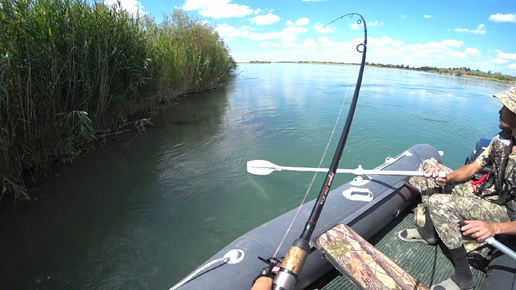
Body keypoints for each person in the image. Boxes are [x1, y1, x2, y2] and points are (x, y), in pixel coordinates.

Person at [398, 84, 516, 290]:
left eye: (505, 107)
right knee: (428, 168)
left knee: (438, 202)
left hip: (506, 210)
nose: (499, 111)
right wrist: (447, 177)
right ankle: (430, 233)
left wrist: (494, 227)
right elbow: (472, 168)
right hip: (487, 193)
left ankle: (464, 276)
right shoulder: (502, 140)